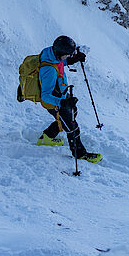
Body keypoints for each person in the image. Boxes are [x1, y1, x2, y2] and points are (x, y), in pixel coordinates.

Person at [34, 35, 101, 164]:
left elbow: (61, 63)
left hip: (61, 95)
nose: (68, 56)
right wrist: (63, 103)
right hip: (55, 102)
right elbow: (45, 96)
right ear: (60, 53)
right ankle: (80, 154)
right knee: (72, 126)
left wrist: (74, 59)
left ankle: (46, 137)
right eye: (68, 55)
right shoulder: (48, 70)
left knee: (71, 114)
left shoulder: (52, 54)